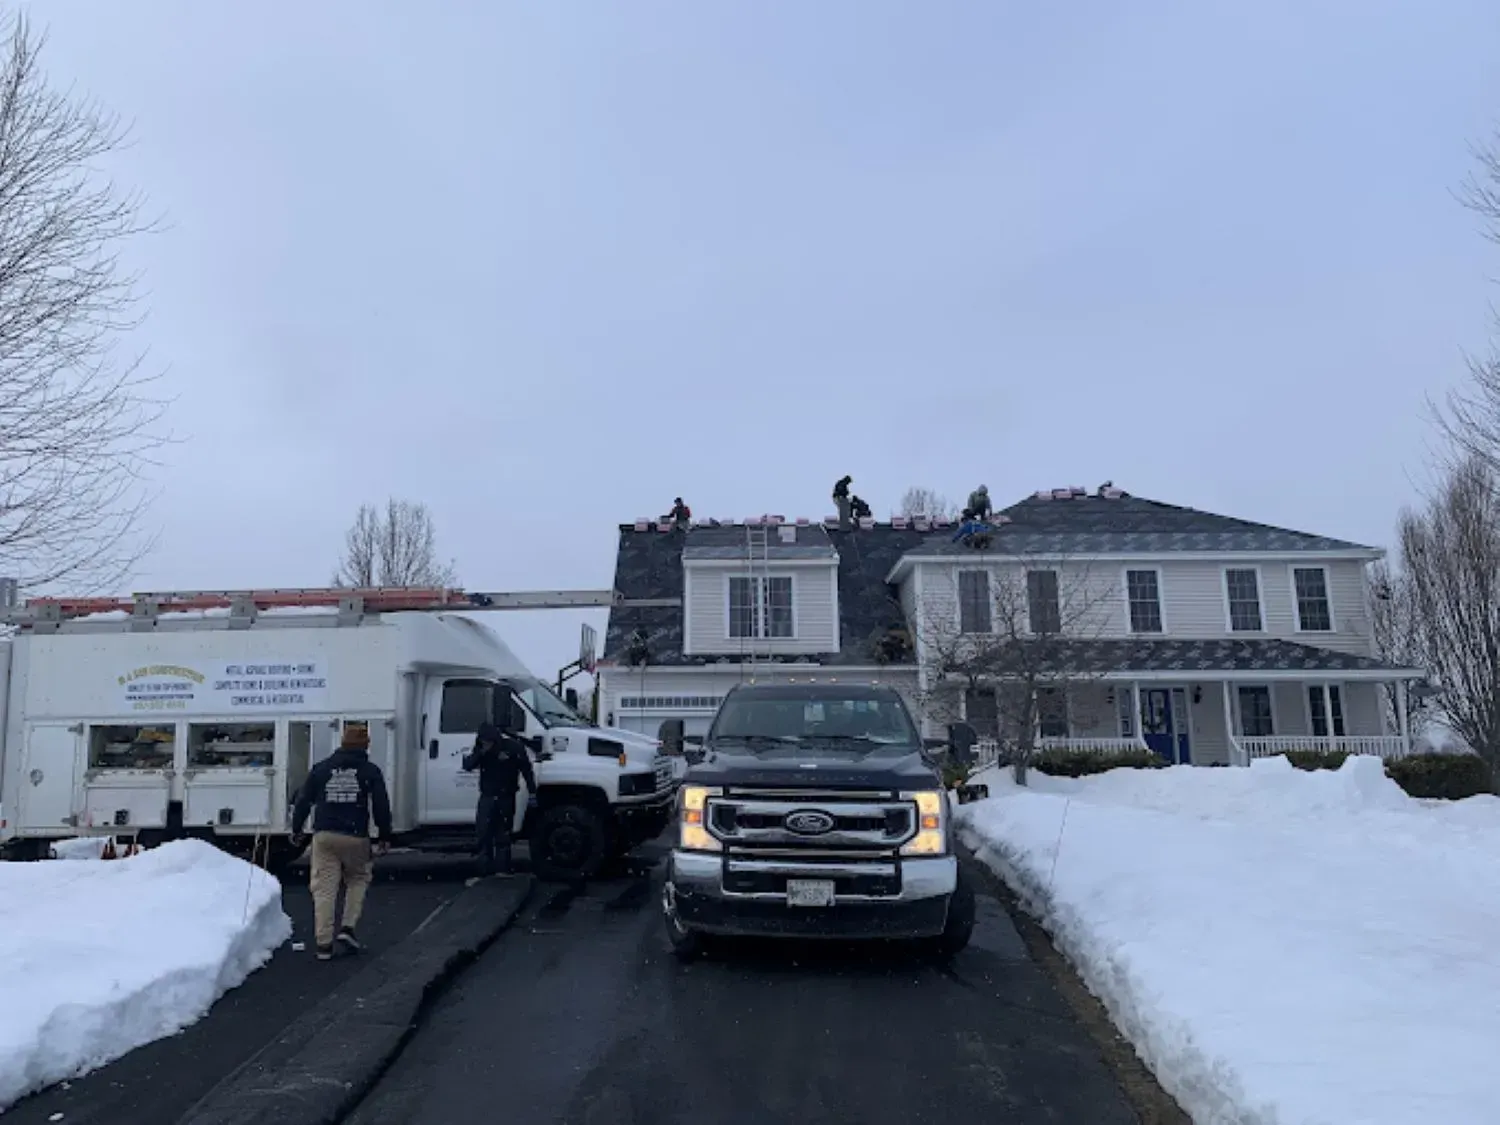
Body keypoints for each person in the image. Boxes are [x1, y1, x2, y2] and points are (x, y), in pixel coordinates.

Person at [290, 724, 393, 961]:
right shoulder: (370, 771)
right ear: (365, 745)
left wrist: (297, 828)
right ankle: (347, 928)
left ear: (342, 743)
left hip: (324, 835)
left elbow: (304, 800)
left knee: (324, 888)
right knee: (357, 879)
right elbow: (380, 804)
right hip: (356, 835)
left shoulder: (322, 769)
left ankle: (323, 944)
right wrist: (385, 835)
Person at [462, 720, 537, 878]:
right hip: (488, 795)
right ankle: (484, 871)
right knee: (484, 834)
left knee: (503, 835)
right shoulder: (481, 749)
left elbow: (526, 769)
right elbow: (468, 765)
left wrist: (532, 791)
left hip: (505, 796)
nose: (486, 743)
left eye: (488, 741)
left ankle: (502, 870)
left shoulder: (513, 747)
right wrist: (480, 753)